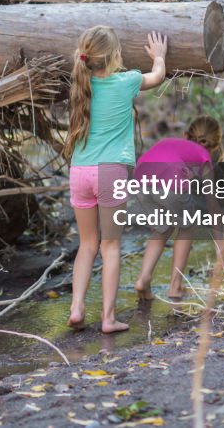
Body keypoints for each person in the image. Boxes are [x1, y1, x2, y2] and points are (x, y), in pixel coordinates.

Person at [65, 25, 167, 333]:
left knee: (86, 245)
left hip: (79, 170)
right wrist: (159, 57)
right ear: (115, 57)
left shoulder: (80, 86)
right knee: (110, 246)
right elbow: (157, 76)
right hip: (111, 172)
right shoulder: (127, 81)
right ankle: (108, 318)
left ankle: (77, 307)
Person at [133, 115, 224, 301]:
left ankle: (143, 280)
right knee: (187, 226)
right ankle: (175, 287)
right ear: (215, 145)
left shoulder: (170, 142)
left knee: (163, 228)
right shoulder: (204, 156)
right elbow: (213, 205)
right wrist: (221, 247)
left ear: (186, 134)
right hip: (170, 180)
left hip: (140, 176)